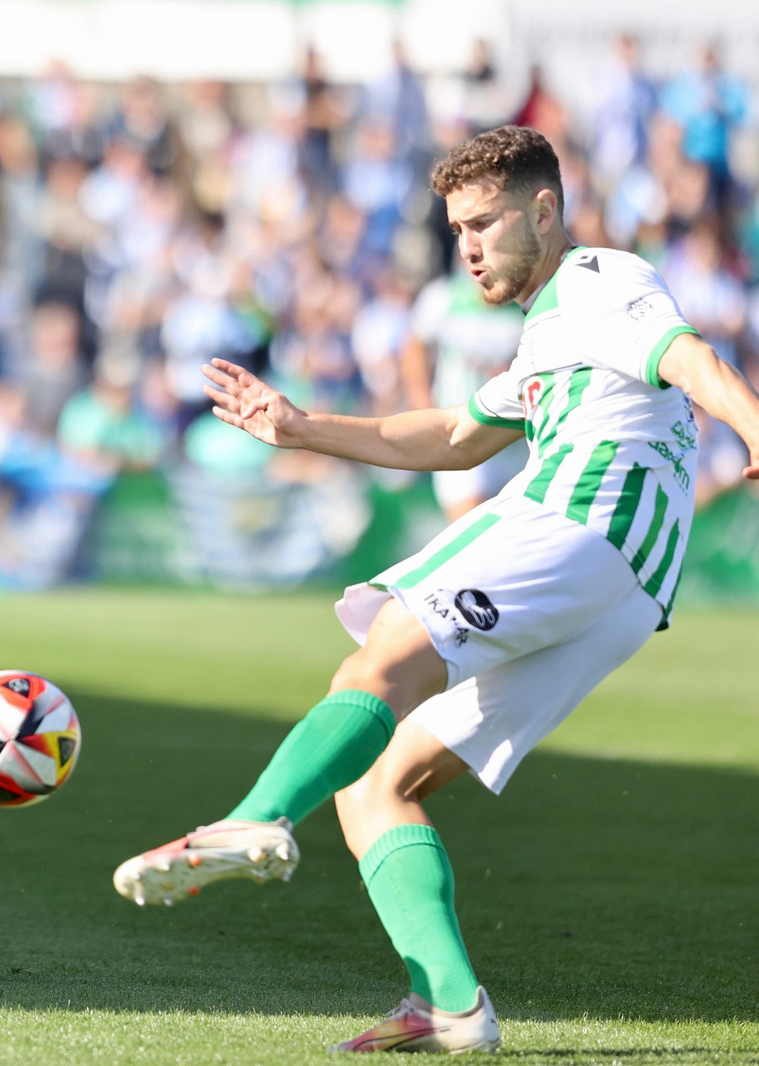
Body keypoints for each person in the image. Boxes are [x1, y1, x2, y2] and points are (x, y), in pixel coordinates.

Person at [110, 126, 759, 1053]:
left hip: (580, 520)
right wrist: (301, 427)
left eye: (486, 222)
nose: (470, 246)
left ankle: (249, 822)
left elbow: (690, 358)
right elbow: (454, 435)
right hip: (628, 589)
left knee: (378, 661)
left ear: (544, 210)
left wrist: (752, 421)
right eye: (458, 228)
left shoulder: (600, 281)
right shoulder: (548, 339)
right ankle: (452, 1006)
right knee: (377, 780)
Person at [398, 269, 527, 522]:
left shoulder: (527, 304)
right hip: (460, 437)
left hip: (516, 443)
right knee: (470, 532)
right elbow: (414, 347)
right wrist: (423, 404)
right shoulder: (443, 297)